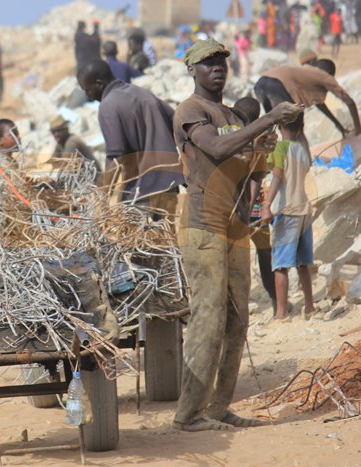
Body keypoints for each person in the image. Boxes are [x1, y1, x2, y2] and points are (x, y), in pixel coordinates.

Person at [171, 39, 301, 432]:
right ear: (191, 70)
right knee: (208, 319)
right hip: (204, 227)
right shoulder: (191, 111)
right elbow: (216, 146)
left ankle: (216, 408)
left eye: (221, 62)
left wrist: (261, 150)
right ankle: (187, 415)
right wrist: (266, 119)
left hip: (234, 227)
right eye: (207, 63)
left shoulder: (229, 113)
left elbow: (246, 166)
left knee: (237, 321)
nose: (217, 68)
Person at [77, 60, 184, 219]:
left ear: (99, 84)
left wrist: (101, 196)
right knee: (167, 240)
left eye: (88, 90)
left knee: (140, 241)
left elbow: (116, 156)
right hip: (170, 182)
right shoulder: (141, 93)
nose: (88, 96)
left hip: (143, 189)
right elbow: (177, 123)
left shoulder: (108, 106)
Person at [261, 114, 315, 321]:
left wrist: (266, 205)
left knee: (281, 265)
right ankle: (309, 306)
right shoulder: (302, 149)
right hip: (305, 211)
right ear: (301, 126)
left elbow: (276, 175)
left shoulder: (281, 147)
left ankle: (281, 313)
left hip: (287, 211)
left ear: (280, 124)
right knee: (303, 264)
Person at [233, 96, 278, 314]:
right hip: (256, 208)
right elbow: (258, 177)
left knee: (234, 256)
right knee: (264, 253)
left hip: (235, 208)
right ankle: (275, 298)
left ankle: (235, 302)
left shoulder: (233, 138)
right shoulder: (260, 140)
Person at [255, 59, 361, 138]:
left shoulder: (306, 70)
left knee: (272, 123)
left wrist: (339, 126)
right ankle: (286, 161)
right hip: (276, 85)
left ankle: (264, 156)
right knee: (292, 128)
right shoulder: (324, 76)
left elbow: (319, 104)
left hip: (260, 84)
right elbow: (349, 102)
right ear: (330, 73)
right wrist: (358, 129)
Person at [49, 115, 101, 180]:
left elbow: (65, 167)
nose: (56, 134)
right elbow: (53, 162)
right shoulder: (61, 142)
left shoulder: (72, 142)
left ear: (66, 129)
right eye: (53, 132)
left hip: (92, 179)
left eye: (59, 131)